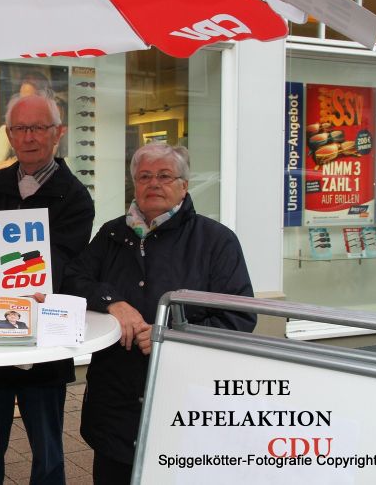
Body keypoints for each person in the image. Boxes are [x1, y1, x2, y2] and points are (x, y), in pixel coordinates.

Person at [61, 142, 256, 484]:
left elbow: (239, 319)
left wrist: (173, 338)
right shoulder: (111, 235)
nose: (154, 183)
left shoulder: (216, 241)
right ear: (134, 184)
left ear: (184, 185)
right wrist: (111, 301)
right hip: (115, 405)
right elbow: (74, 278)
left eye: (165, 176)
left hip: (183, 406)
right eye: (145, 176)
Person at [0, 94, 95, 485]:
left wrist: (3, 264)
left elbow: (58, 263)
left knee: (47, 452)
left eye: (38, 128)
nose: (29, 137)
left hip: (44, 340)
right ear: (9, 134)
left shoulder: (75, 197)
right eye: (20, 129)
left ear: (57, 133)